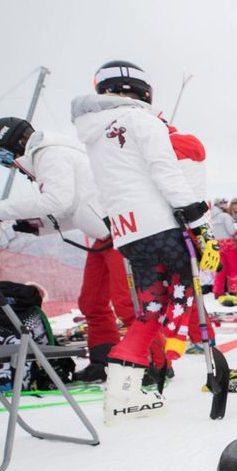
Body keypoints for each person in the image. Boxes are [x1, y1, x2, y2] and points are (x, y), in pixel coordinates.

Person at [71, 60, 210, 424]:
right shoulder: (142, 120)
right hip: (161, 226)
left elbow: (100, 188)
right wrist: (197, 218)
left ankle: (123, 388)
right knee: (182, 294)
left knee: (151, 308)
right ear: (144, 92)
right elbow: (165, 169)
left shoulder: (93, 134)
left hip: (128, 233)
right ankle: (175, 354)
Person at [0, 116, 131, 384]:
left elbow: (57, 199)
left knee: (127, 303)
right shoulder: (46, 157)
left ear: (16, 143)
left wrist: (2, 209)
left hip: (121, 233)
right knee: (92, 302)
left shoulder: (50, 154)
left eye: (3, 157)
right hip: (103, 236)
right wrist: (39, 227)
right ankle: (103, 363)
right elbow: (72, 208)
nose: (8, 165)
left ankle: (152, 362)